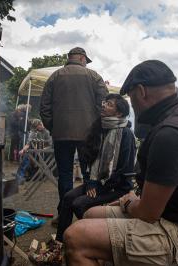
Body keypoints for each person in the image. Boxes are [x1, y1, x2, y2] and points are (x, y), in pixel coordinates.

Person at [63, 60, 178, 265]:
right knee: (90, 213)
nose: (132, 105)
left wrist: (128, 202)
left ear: (141, 91)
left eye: (131, 98)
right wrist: (133, 201)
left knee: (76, 237)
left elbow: (148, 213)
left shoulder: (171, 134)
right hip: (173, 212)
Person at [40, 47, 109, 225]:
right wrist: (97, 129)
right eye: (85, 60)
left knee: (64, 175)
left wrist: (54, 128)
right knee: (89, 175)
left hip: (61, 135)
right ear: (81, 58)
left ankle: (64, 216)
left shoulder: (55, 76)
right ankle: (86, 214)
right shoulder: (94, 77)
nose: (86, 63)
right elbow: (105, 105)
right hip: (88, 135)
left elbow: (44, 108)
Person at [56, 94, 136, 242]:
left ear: (119, 113)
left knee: (79, 204)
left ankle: (91, 240)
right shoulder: (98, 128)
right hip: (96, 182)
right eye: (104, 102)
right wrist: (89, 182)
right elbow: (86, 158)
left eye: (110, 104)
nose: (104, 105)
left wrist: (101, 187)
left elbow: (125, 169)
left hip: (117, 186)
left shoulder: (126, 134)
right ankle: (60, 242)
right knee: (68, 198)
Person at [15, 119, 52, 184]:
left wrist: (43, 149)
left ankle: (26, 175)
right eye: (37, 127)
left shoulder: (47, 132)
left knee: (31, 156)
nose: (39, 127)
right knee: (26, 156)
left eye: (39, 126)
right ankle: (20, 177)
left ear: (41, 124)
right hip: (35, 152)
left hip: (46, 152)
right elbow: (28, 144)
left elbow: (51, 145)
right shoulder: (33, 132)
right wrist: (23, 150)